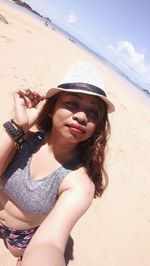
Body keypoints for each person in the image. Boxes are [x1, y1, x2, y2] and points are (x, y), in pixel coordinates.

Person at [0, 62, 115, 266]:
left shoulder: (79, 183)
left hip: (20, 238)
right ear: (52, 108)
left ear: (96, 127)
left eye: (93, 112)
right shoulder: (25, 136)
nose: (81, 116)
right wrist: (17, 126)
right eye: (72, 103)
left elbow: (49, 245)